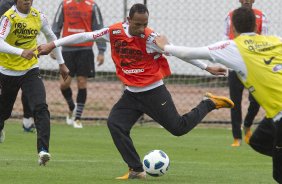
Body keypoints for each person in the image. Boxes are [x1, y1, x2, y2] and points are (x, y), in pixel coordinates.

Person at [37, 3, 234, 179]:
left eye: (145, 24)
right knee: (115, 124)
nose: (142, 29)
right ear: (128, 20)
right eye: (137, 24)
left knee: (178, 129)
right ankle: (136, 169)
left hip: (154, 92)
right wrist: (53, 44)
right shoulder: (114, 32)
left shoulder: (151, 38)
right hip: (131, 94)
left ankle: (208, 103)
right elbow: (85, 35)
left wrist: (206, 67)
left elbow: (179, 52)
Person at [155, 7, 282, 183]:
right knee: (258, 141)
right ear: (256, 26)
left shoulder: (234, 47)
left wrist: (165, 46)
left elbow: (191, 52)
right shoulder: (276, 40)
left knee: (279, 174)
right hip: (275, 115)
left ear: (233, 29)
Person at [0, 0, 69, 166]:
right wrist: (20, 52)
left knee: (41, 107)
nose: (27, 1)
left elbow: (52, 38)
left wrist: (61, 63)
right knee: (3, 112)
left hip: (30, 70)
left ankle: (43, 151)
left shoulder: (38, 16)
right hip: (6, 71)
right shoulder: (9, 17)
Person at [51, 0, 106, 128]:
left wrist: (101, 51)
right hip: (67, 50)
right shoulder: (64, 4)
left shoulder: (92, 6)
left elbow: (99, 29)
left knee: (82, 82)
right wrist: (53, 47)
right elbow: (55, 27)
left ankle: (77, 118)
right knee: (64, 84)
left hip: (85, 50)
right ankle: (71, 107)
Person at [224, 0, 268, 147]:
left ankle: (248, 124)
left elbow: (264, 41)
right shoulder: (230, 16)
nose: (247, 0)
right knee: (234, 102)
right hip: (235, 65)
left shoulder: (261, 16)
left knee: (256, 100)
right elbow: (225, 39)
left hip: (254, 67)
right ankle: (237, 137)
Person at [0, 0, 35, 132]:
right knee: (6, 99)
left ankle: (27, 120)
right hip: (5, 59)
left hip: (20, 57)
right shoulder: (5, 7)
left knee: (29, 85)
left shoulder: (23, 6)